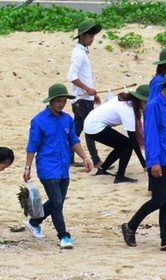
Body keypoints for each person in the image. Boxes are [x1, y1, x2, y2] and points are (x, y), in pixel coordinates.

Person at [121, 69, 166, 253]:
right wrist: (153, 162)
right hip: (161, 160)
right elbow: (151, 136)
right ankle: (130, 226)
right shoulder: (153, 106)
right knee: (158, 200)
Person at [23, 83, 93, 249]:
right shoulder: (38, 121)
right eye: (59, 101)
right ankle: (63, 236)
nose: (62, 104)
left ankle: (34, 222)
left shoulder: (67, 119)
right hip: (47, 167)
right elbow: (32, 145)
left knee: (57, 201)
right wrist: (27, 167)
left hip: (63, 167)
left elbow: (74, 140)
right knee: (57, 203)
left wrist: (85, 157)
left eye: (64, 101)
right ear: (51, 101)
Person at [84, 84, 150, 183]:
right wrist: (144, 164)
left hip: (91, 123)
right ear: (140, 100)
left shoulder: (126, 100)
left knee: (121, 145)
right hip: (95, 127)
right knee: (127, 145)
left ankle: (102, 169)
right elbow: (133, 140)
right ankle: (120, 176)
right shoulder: (128, 110)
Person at [67, 19, 103, 168]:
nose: (92, 38)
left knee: (76, 130)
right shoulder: (79, 54)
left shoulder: (82, 51)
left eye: (93, 35)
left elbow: (84, 76)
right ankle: (96, 160)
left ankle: (69, 158)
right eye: (89, 35)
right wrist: (87, 90)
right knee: (90, 128)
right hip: (82, 99)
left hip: (80, 98)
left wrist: (92, 93)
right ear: (82, 36)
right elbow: (72, 76)